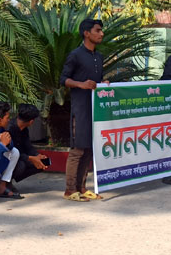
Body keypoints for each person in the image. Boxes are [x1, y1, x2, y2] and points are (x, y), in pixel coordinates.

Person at [59, 18, 107, 202]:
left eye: (101, 31)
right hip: (80, 109)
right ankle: (69, 190)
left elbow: (98, 81)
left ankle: (82, 187)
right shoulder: (76, 55)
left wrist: (104, 85)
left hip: (95, 109)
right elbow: (64, 79)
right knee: (78, 149)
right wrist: (81, 85)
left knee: (88, 149)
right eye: (97, 30)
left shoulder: (99, 57)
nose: (101, 33)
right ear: (87, 33)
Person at [7, 104, 49, 190]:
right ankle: (5, 182)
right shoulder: (9, 129)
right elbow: (9, 151)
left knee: (43, 162)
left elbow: (28, 146)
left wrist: (37, 155)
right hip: (8, 158)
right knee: (21, 165)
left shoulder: (24, 129)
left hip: (21, 156)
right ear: (31, 121)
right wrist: (30, 158)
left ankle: (9, 181)